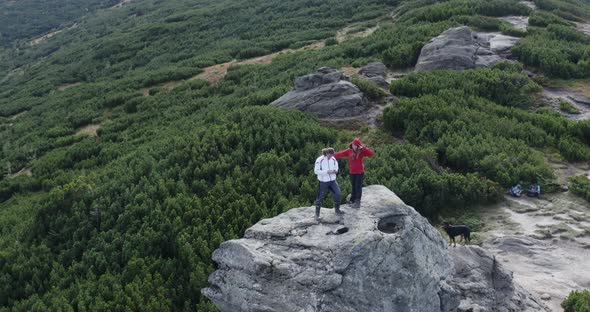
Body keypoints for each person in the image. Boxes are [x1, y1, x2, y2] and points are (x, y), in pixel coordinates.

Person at [334, 138, 374, 208]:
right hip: (352, 172)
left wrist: (364, 148)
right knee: (353, 186)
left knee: (358, 186)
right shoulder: (349, 151)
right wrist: (332, 155)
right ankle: (352, 199)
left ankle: (357, 201)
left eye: (355, 145)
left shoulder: (362, 151)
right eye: (353, 145)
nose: (354, 146)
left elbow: (371, 154)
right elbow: (341, 154)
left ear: (358, 146)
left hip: (359, 172)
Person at [314, 148, 344, 221]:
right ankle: (317, 215)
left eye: (332, 155)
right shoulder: (319, 160)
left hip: (332, 181)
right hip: (323, 181)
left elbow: (336, 167)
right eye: (330, 155)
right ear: (327, 153)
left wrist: (335, 171)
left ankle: (337, 210)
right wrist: (327, 172)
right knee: (320, 197)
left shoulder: (333, 159)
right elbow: (316, 171)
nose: (331, 156)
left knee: (338, 193)